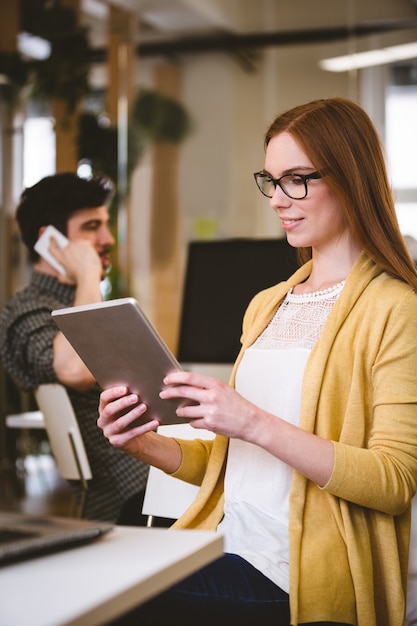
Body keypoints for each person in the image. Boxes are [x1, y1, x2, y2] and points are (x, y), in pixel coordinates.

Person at [97, 97, 417, 625]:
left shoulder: (396, 308)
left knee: (115, 598)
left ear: (350, 178)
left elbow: (393, 480)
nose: (278, 198)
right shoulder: (267, 305)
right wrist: (143, 443)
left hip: (298, 570)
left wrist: (251, 420)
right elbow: (234, 465)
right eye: (271, 180)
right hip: (226, 543)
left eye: (297, 179)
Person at [0, 172, 149, 524]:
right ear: (50, 242)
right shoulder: (27, 309)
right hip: (130, 494)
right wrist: (86, 276)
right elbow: (76, 370)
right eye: (91, 227)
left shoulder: (86, 304)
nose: (107, 238)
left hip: (161, 472)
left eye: (106, 225)